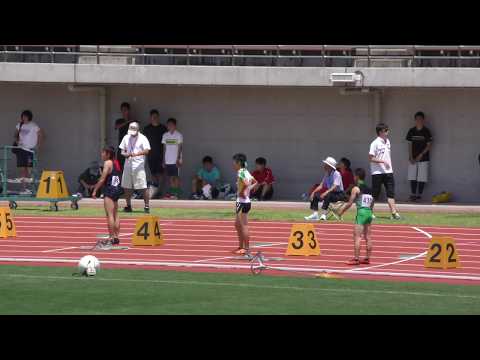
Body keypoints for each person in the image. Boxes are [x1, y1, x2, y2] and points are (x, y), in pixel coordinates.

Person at [338, 168, 374, 265]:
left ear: (357, 177)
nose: (353, 178)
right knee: (368, 237)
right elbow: (372, 202)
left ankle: (356, 259)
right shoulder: (370, 189)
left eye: (354, 176)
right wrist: (371, 212)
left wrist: (341, 211)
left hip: (361, 212)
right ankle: (367, 258)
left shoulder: (356, 188)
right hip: (369, 212)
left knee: (357, 237)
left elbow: (350, 203)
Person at [92, 146, 124, 248]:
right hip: (117, 189)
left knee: (109, 215)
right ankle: (116, 237)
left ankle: (111, 237)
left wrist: (95, 190)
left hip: (110, 190)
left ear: (108, 154)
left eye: (103, 153)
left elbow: (102, 179)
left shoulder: (107, 163)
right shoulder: (116, 163)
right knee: (115, 214)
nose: (101, 154)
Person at [369, 123, 401, 220]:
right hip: (377, 172)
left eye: (388, 130)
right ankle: (369, 212)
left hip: (388, 172)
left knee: (390, 192)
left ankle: (394, 213)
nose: (388, 132)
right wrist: (382, 161)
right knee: (375, 193)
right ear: (380, 132)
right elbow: (370, 158)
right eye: (386, 130)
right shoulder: (374, 143)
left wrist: (388, 165)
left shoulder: (388, 141)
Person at [119, 122, 151, 213]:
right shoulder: (126, 137)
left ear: (138, 130)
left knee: (143, 186)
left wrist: (136, 154)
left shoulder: (143, 138)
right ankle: (128, 206)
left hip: (139, 165)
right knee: (126, 186)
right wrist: (126, 154)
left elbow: (147, 150)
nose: (132, 134)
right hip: (128, 165)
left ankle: (147, 206)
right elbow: (122, 151)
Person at [13, 110, 45, 194]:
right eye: (23, 116)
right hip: (21, 149)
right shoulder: (19, 125)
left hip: (30, 150)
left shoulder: (34, 125)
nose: (24, 118)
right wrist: (17, 141)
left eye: (25, 116)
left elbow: (41, 135)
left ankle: (33, 188)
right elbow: (15, 135)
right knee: (22, 169)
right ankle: (24, 189)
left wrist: (38, 146)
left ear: (29, 117)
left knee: (31, 169)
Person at [304, 157, 345, 221]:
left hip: (339, 195)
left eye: (326, 164)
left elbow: (335, 186)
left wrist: (326, 192)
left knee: (328, 194)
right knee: (316, 195)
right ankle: (315, 215)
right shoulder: (326, 174)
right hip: (331, 193)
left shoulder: (337, 174)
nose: (324, 166)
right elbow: (321, 185)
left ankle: (324, 214)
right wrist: (313, 192)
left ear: (330, 166)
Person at [232, 153, 257, 255]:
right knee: (237, 225)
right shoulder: (246, 171)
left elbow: (246, 183)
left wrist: (243, 192)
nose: (233, 164)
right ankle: (240, 246)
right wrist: (249, 190)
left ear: (238, 163)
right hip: (243, 201)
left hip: (243, 202)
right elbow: (256, 182)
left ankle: (246, 248)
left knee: (244, 225)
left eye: (234, 162)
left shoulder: (241, 172)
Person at [406, 111, 433, 202]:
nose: (419, 121)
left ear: (423, 120)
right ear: (415, 120)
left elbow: (429, 145)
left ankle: (419, 195)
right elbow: (409, 144)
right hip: (413, 158)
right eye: (417, 119)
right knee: (412, 176)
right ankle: (413, 194)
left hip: (423, 158)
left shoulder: (426, 131)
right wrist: (411, 156)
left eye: (420, 119)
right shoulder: (411, 131)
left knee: (422, 177)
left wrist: (420, 155)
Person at [143, 109, 167, 198]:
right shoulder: (146, 129)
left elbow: (166, 143)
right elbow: (143, 141)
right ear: (150, 118)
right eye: (153, 117)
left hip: (161, 155)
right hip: (150, 155)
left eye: (156, 117)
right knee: (153, 174)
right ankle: (155, 191)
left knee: (160, 174)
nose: (154, 118)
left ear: (158, 117)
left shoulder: (163, 128)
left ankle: (159, 191)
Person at [162, 118, 183, 199]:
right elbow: (164, 148)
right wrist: (163, 160)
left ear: (175, 125)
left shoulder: (179, 135)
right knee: (170, 178)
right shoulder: (165, 135)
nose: (170, 126)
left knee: (176, 177)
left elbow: (180, 147)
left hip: (176, 160)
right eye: (168, 125)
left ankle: (176, 194)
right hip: (168, 160)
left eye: (171, 124)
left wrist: (178, 158)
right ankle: (172, 194)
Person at [114, 102, 135, 171]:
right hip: (121, 147)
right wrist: (127, 122)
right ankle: (121, 182)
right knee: (118, 168)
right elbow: (116, 127)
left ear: (129, 110)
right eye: (122, 110)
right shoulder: (119, 121)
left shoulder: (133, 121)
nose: (124, 112)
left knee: (130, 169)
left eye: (125, 110)